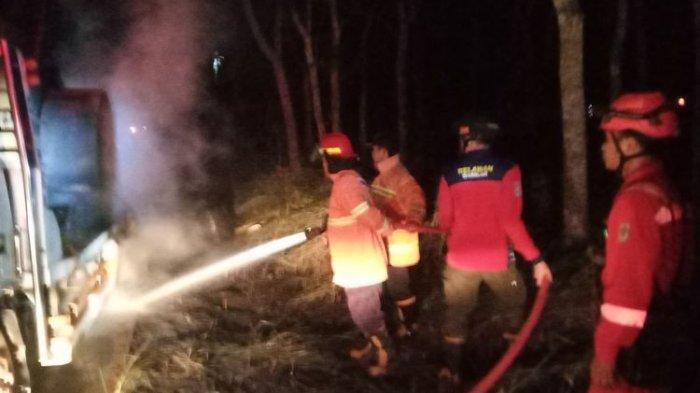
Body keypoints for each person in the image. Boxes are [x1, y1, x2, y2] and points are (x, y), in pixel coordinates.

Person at [435, 116, 553, 388]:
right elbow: (511, 221)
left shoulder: (449, 172)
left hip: (460, 260)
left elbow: (444, 223)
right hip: (498, 261)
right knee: (514, 300)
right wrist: (536, 259)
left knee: (457, 311)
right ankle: (510, 364)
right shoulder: (507, 169)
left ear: (468, 139)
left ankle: (451, 370)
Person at [589, 91, 684, 393]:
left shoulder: (634, 201)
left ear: (629, 144)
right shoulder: (659, 186)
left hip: (636, 348)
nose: (603, 148)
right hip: (665, 336)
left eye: (608, 140)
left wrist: (605, 353)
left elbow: (628, 291)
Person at [318, 131, 394, 377]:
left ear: (332, 159)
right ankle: (370, 346)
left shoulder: (347, 184)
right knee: (363, 313)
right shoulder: (347, 182)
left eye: (324, 158)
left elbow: (367, 216)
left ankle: (386, 355)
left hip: (361, 267)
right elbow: (353, 218)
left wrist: (386, 228)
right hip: (357, 264)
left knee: (366, 316)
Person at [369, 133, 426, 338]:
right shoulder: (384, 176)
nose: (372, 153)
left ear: (384, 151)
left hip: (399, 241)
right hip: (388, 239)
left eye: (374, 149)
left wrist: (412, 220)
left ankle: (411, 326)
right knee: (394, 286)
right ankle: (404, 324)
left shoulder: (398, 175)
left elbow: (416, 200)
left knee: (399, 286)